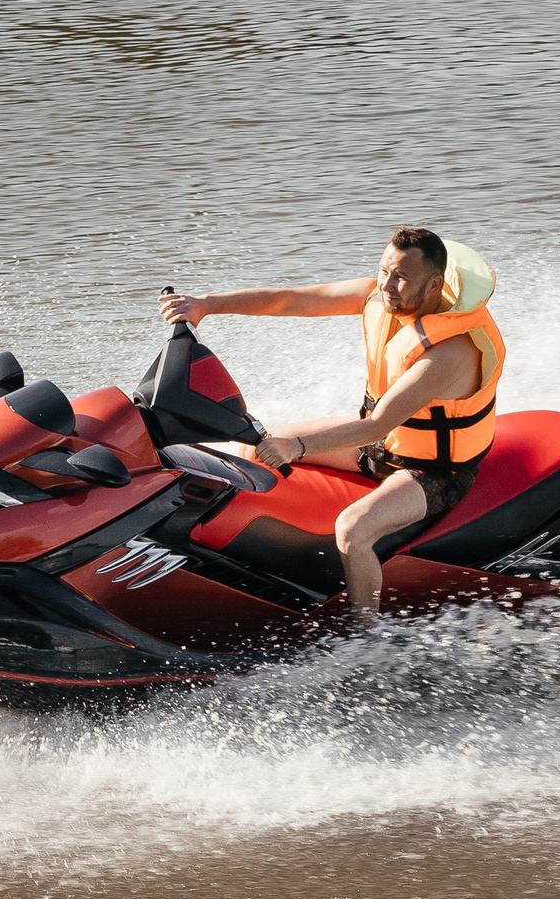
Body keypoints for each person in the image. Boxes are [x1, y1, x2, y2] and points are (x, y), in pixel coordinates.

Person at [157, 226, 502, 621]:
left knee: (353, 531)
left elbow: (378, 423)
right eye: (384, 271)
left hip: (434, 472)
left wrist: (297, 446)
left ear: (434, 284)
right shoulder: (380, 296)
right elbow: (292, 300)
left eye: (401, 277)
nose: (387, 285)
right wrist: (205, 305)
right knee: (251, 446)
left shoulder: (450, 352)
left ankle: (366, 638)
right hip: (382, 447)